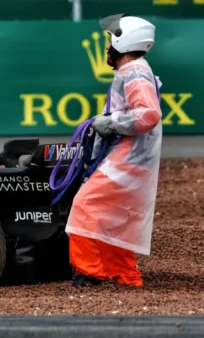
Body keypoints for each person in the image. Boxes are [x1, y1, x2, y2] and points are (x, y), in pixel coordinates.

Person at [66, 14, 162, 288]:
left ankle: (89, 273)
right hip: (134, 159)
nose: (108, 46)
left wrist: (109, 122)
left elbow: (148, 114)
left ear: (124, 40)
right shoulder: (136, 70)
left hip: (127, 159)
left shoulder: (133, 72)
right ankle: (126, 276)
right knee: (113, 215)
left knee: (85, 205)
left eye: (110, 40)